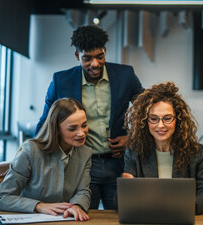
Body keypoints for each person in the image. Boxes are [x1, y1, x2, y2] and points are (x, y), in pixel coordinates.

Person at [34, 25, 143, 209]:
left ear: (105, 51)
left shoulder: (126, 75)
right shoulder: (61, 81)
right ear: (77, 56)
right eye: (87, 58)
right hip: (80, 166)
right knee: (82, 216)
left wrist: (132, 137)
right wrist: (31, 155)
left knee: (121, 216)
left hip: (119, 164)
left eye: (99, 56)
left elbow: (148, 112)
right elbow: (45, 123)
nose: (94, 63)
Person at [123, 82, 203, 214]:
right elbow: (118, 201)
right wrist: (127, 192)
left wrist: (176, 206)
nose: (160, 125)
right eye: (153, 119)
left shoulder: (197, 153)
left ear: (178, 119)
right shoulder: (134, 152)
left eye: (167, 118)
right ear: (145, 121)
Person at [0, 98, 92, 221]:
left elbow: (83, 191)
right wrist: (39, 206)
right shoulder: (31, 150)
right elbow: (2, 198)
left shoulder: (85, 153)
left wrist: (77, 206)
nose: (81, 133)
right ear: (56, 130)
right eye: (72, 129)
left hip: (65, 221)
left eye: (84, 125)